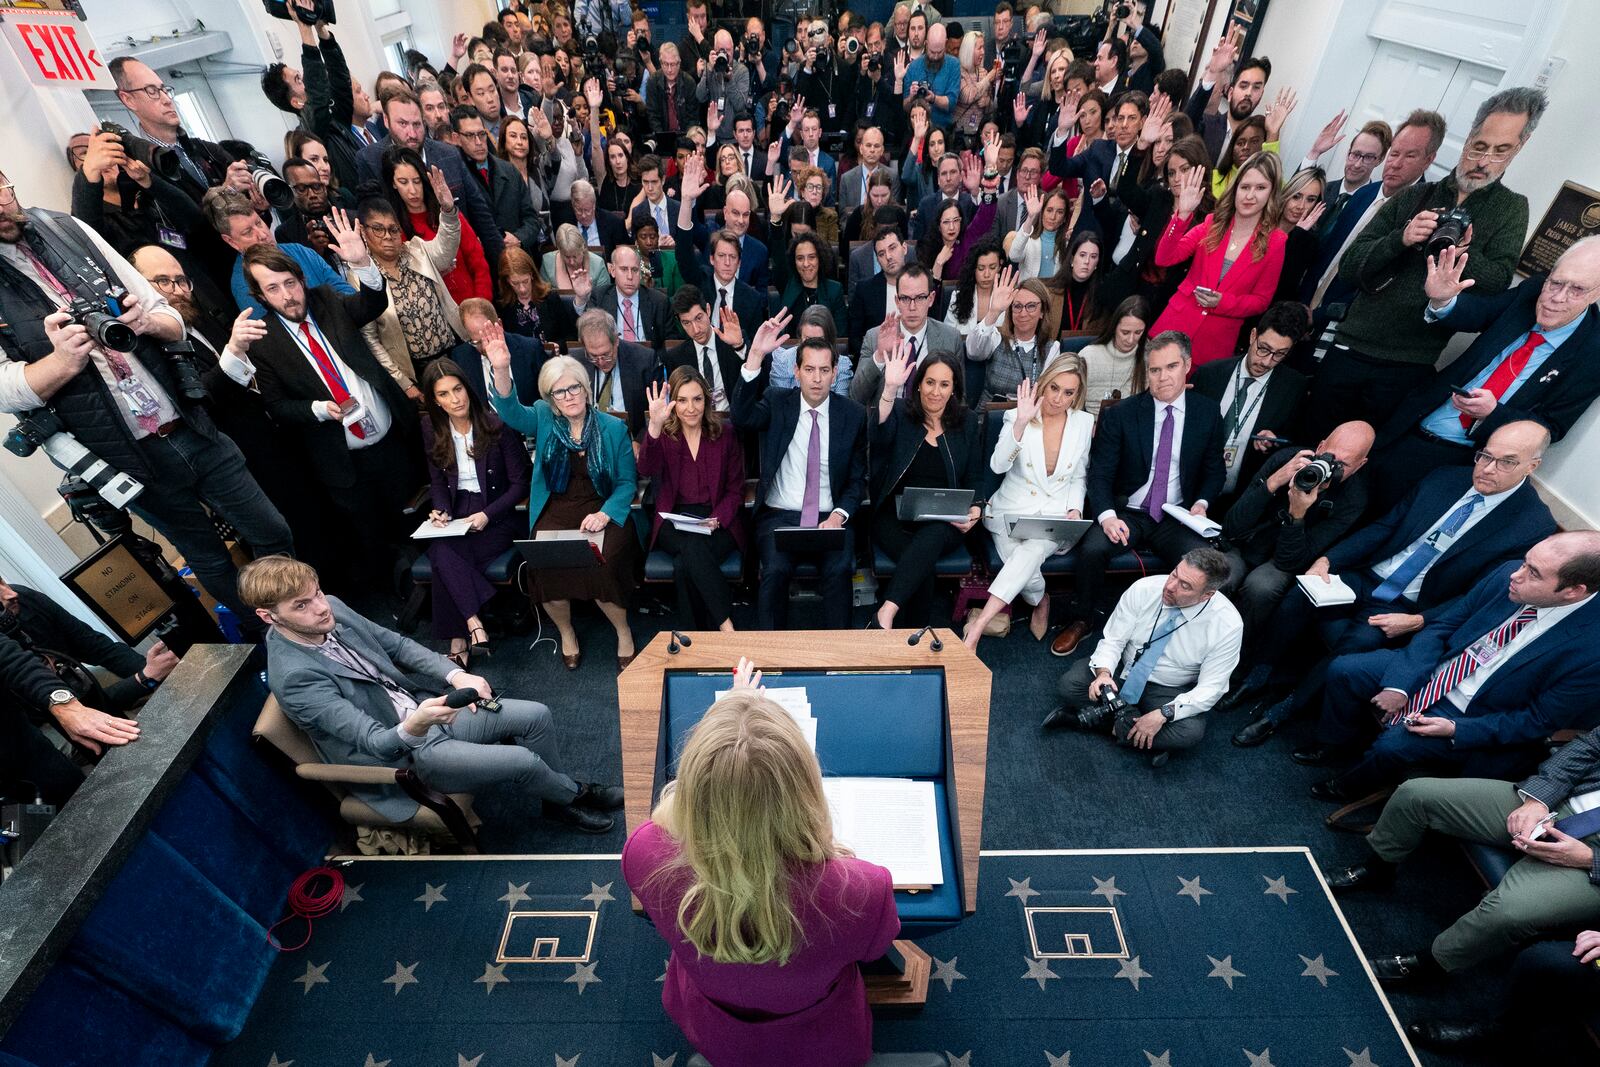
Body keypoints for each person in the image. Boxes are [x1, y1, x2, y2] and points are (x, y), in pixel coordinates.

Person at [0, 171, 294, 624]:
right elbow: (4, 391)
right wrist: (61, 363)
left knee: (272, 529)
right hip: (127, 458)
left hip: (188, 421)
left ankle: (299, 616)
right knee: (211, 560)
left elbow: (170, 319)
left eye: (2, 186)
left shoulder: (67, 230)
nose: (2, 202)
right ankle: (274, 634)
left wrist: (144, 323)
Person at [622, 677, 900, 1067]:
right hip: (819, 1039)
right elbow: (876, 948)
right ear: (804, 790)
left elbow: (669, 827)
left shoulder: (644, 854)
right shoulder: (861, 889)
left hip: (714, 1027)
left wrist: (731, 719)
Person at [1230, 420, 1559, 748]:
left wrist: (1419, 621)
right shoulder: (1445, 478)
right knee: (1299, 595)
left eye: (1507, 462)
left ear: (1533, 466)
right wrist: (1330, 559)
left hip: (1410, 605)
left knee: (1357, 642)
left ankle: (1281, 712)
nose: (1488, 468)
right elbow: (1386, 527)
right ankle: (1259, 674)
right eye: (1485, 456)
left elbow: (1477, 595)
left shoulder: (1530, 525)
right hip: (1367, 576)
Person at [240, 555, 622, 834]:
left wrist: (456, 674)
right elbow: (376, 743)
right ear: (267, 616)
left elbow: (398, 645)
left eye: (318, 593)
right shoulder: (295, 677)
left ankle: (557, 800)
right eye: (302, 605)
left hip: (426, 711)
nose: (322, 608)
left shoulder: (331, 609)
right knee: (524, 760)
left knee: (536, 714)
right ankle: (572, 794)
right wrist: (419, 721)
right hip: (408, 753)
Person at [1308, 88, 1544, 434]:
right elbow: (1351, 265)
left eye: (1500, 151)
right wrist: (1401, 239)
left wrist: (1462, 252)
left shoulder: (1511, 208)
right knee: (1308, 436)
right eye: (1479, 146)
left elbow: (1497, 280)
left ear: (1517, 149)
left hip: (1410, 362)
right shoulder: (1415, 195)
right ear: (1467, 142)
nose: (1483, 161)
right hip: (1351, 347)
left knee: (1360, 456)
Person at [1306, 533, 1600, 801]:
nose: (1516, 574)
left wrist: (1456, 729)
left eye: (1532, 573)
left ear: (1573, 591)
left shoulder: (1592, 651)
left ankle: (1348, 786)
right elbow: (1443, 626)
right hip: (1438, 668)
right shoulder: (1505, 576)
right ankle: (1337, 743)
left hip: (1476, 714)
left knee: (1392, 746)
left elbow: (1538, 720)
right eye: (1525, 562)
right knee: (1344, 670)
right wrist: (1401, 683)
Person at [1323, 716, 1600, 983]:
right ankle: (1379, 869)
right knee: (1416, 794)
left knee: (1507, 912)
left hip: (1590, 858)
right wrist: (1538, 799)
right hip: (1561, 802)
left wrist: (1590, 859)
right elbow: (1589, 745)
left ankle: (1431, 965)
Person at [232, 225, 422, 583]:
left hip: (392, 439)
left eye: (290, 283)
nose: (287, 296)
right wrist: (319, 409)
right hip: (341, 460)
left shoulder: (327, 301)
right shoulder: (264, 343)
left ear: (301, 280)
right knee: (372, 537)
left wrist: (363, 263)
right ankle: (398, 593)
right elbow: (276, 407)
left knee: (415, 517)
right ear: (259, 295)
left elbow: (372, 304)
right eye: (273, 288)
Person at [1366, 237, 1600, 513]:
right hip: (1409, 425)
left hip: (1463, 462)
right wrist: (1443, 299)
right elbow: (1481, 313)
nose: (1557, 298)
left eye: (1577, 290)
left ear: (1596, 294)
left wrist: (1494, 414)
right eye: (1556, 283)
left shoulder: (1593, 352)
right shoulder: (1531, 292)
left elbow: (1553, 426)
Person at [1052, 332, 1226, 657]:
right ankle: (1082, 620)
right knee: (1091, 549)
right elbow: (1100, 473)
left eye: (1171, 366)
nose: (1162, 377)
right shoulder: (1122, 413)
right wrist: (1106, 516)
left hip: (1178, 515)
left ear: (1187, 365)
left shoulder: (1206, 413)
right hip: (1128, 512)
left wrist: (1201, 505)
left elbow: (1215, 470)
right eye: (1154, 369)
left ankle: (1174, 637)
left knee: (1204, 566)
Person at [485, 341, 639, 669]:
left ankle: (623, 630)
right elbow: (510, 412)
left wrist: (605, 514)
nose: (568, 396)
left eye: (573, 388)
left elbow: (627, 483)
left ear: (585, 388)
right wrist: (500, 368)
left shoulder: (613, 428)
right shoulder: (543, 418)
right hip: (555, 508)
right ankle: (566, 631)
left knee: (604, 562)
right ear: (550, 398)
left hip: (602, 508)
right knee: (544, 564)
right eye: (559, 392)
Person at [1045, 548, 1242, 764]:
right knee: (1070, 685)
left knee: (1189, 732)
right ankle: (1147, 740)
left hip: (1167, 688)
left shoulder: (1228, 625)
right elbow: (1113, 640)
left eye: (1185, 586)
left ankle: (1081, 721)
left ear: (1207, 595)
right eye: (1175, 574)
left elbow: (1212, 688)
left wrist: (1164, 714)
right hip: (1124, 669)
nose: (1170, 587)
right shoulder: (1144, 588)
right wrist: (1103, 673)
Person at [735, 323, 869, 630]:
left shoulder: (852, 415)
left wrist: (839, 516)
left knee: (839, 571)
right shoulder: (777, 401)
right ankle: (771, 655)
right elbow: (742, 417)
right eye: (809, 369)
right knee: (775, 571)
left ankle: (838, 658)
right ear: (796, 372)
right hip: (780, 515)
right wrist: (754, 355)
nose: (817, 379)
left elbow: (855, 480)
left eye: (824, 370)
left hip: (830, 517)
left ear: (836, 373)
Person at [965, 356, 1094, 650]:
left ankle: (979, 626)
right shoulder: (1016, 416)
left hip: (1053, 516)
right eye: (1054, 388)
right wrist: (1021, 423)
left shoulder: (1084, 424)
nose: (1059, 399)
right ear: (1043, 384)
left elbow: (1079, 476)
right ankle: (1041, 598)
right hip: (1009, 512)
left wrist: (1075, 508)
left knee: (1032, 550)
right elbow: (997, 466)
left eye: (1069, 393)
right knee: (1023, 566)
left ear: (1078, 394)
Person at [1220, 421, 1374, 647]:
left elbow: (1289, 562)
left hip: (1282, 562)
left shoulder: (1353, 498)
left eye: (1343, 465)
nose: (1332, 467)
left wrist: (1298, 513)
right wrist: (1273, 483)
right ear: (1320, 447)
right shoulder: (1287, 460)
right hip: (1244, 544)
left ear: (1360, 465)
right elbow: (1232, 526)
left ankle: (1232, 656)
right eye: (1329, 457)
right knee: (1221, 571)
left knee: (1261, 587)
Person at [417, 358, 529, 667]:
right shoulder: (430, 427)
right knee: (442, 546)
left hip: (498, 512)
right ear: (435, 401)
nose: (454, 400)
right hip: (457, 509)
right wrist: (439, 510)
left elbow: (521, 484)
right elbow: (437, 479)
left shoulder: (496, 425)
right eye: (443, 394)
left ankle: (459, 638)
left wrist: (487, 516)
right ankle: (473, 621)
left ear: (468, 387)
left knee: (442, 556)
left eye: (458, 389)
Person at [868, 348, 986, 631]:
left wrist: (976, 508)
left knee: (930, 537)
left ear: (954, 388)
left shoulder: (967, 421)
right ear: (918, 383)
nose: (936, 391)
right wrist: (890, 389)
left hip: (945, 522)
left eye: (944, 384)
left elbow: (975, 477)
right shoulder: (899, 413)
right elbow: (878, 438)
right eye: (930, 382)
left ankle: (886, 612)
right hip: (893, 516)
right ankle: (916, 641)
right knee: (921, 562)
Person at [1150, 150, 1286, 369]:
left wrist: (1222, 302)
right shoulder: (1212, 223)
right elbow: (1164, 258)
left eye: (1260, 188)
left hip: (1213, 347)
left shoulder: (1276, 242)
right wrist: (1182, 216)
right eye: (1245, 187)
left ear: (1271, 193)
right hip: (1174, 329)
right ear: (1235, 189)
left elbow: (1261, 300)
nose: (1250, 195)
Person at [638, 368, 747, 631]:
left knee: (685, 562)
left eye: (697, 399)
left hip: (716, 518)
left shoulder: (726, 434)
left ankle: (693, 636)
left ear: (707, 400)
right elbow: (645, 469)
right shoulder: (663, 435)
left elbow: (736, 490)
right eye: (683, 400)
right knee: (692, 549)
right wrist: (653, 427)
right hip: (673, 519)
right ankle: (725, 624)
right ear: (672, 402)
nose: (690, 408)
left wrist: (717, 519)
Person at [0, 576, 175, 738]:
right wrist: (144, 679)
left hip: (74, 685)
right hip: (38, 724)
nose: (11, 593)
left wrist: (164, 673)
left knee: (168, 691)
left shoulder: (25, 599)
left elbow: (95, 645)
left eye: (1, 581)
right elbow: (75, 712)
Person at [355, 88, 504, 272]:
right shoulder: (370, 160)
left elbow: (481, 214)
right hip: (411, 268)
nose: (411, 133)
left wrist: (504, 266)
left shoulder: (448, 154)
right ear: (386, 120)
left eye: (417, 124)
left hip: (462, 261)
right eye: (402, 124)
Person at [1190, 301, 1310, 500]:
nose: (1266, 361)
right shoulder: (1209, 374)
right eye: (1263, 349)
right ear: (1253, 335)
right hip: (1190, 485)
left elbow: (1296, 440)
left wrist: (1275, 441)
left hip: (1240, 495)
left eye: (1279, 354)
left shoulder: (1294, 388)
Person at [354, 190, 465, 400]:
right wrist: (404, 384)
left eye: (393, 229)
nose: (387, 236)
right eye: (378, 229)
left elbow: (445, 249)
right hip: (414, 373)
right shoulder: (362, 276)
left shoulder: (417, 250)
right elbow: (370, 338)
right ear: (363, 231)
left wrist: (449, 212)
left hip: (453, 354)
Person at [261, 0, 366, 192]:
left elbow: (341, 82)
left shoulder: (335, 121)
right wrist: (304, 27)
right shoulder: (311, 133)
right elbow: (317, 95)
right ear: (297, 102)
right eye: (298, 79)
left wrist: (321, 30)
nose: (306, 80)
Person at [384, 145, 493, 307]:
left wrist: (482, 305)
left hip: (473, 305)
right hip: (436, 315)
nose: (412, 190)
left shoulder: (448, 213)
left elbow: (478, 263)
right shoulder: (395, 228)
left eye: (417, 181)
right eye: (403, 182)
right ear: (393, 184)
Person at [851, 266, 966, 406]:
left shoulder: (950, 338)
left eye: (920, 298)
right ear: (897, 301)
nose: (912, 307)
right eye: (905, 298)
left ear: (931, 299)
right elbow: (856, 396)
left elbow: (960, 398)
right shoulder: (874, 337)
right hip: (887, 421)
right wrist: (880, 356)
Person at [451, 108, 541, 251]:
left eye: (481, 134)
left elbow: (532, 220)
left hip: (517, 260)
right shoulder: (455, 178)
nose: (478, 141)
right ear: (456, 139)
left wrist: (519, 238)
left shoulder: (509, 170)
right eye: (470, 136)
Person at [1182, 28, 1270, 165]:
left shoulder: (1259, 139)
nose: (1248, 93)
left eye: (1256, 87)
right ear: (1230, 93)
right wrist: (1212, 72)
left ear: (1261, 94)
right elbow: (1186, 123)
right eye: (1244, 85)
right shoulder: (1207, 124)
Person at [969, 274, 1059, 403]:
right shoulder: (996, 337)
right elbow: (973, 352)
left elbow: (1048, 395)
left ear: (1042, 312)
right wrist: (993, 311)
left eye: (1031, 306)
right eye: (1017, 306)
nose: (1023, 313)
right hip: (990, 417)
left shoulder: (1051, 349)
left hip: (1029, 418)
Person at [665, 285, 745, 417]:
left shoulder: (732, 341)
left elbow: (753, 380)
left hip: (733, 423)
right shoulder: (676, 357)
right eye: (686, 323)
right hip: (696, 425)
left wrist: (739, 346)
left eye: (698, 318)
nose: (696, 329)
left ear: (708, 310)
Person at [586, 244, 673, 351]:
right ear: (612, 271)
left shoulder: (659, 301)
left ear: (640, 273)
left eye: (635, 270)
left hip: (649, 362)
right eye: (624, 269)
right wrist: (581, 298)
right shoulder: (599, 298)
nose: (630, 276)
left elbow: (670, 344)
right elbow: (587, 335)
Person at [1078, 295, 1152, 417]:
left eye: (1138, 332)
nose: (1130, 339)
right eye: (1125, 332)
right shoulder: (1088, 356)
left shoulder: (1150, 357)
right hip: (1092, 426)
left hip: (1130, 428)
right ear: (1114, 327)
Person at [765, 305, 855, 398]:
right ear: (800, 336)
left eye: (819, 340)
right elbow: (779, 403)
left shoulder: (842, 364)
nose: (813, 346)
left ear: (829, 338)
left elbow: (841, 405)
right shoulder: (783, 360)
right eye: (808, 339)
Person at [1274, 166, 1327, 300]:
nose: (1301, 206)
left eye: (1310, 200)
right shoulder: (1262, 224)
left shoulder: (1309, 243)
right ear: (1287, 194)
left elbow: (1284, 286)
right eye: (1296, 196)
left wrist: (1298, 235)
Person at [775, 231, 847, 329]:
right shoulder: (788, 286)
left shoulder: (834, 290)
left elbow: (840, 334)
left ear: (820, 258)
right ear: (794, 262)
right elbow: (778, 254)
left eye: (811, 257)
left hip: (825, 344)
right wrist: (776, 221)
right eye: (800, 258)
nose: (806, 264)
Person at [1006, 187, 1075, 284]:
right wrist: (1030, 218)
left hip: (1054, 297)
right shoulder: (1028, 239)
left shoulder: (1067, 243)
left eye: (1059, 212)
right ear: (1042, 212)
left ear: (1064, 218)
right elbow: (1014, 256)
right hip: (1028, 296)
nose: (1053, 217)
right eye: (1049, 210)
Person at [944, 239, 1008, 340]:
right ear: (973, 268)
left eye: (992, 267)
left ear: (1000, 266)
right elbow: (947, 336)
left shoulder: (1008, 297)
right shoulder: (957, 296)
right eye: (981, 268)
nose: (987, 274)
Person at [904, 24, 960, 131]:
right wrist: (911, 97)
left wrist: (934, 98)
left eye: (939, 52)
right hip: (917, 130)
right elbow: (905, 107)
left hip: (943, 130)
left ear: (946, 43)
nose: (935, 56)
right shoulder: (913, 66)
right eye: (932, 52)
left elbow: (951, 103)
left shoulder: (954, 65)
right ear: (926, 44)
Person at [836, 126, 899, 220]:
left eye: (876, 146)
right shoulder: (847, 178)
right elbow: (843, 216)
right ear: (861, 148)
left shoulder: (892, 176)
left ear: (882, 151)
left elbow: (894, 213)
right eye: (868, 145)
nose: (872, 150)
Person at [542, 222, 614, 299]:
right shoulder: (547, 262)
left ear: (582, 249)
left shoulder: (598, 264)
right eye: (567, 257)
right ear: (559, 250)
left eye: (575, 256)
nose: (571, 262)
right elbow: (543, 297)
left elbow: (604, 300)